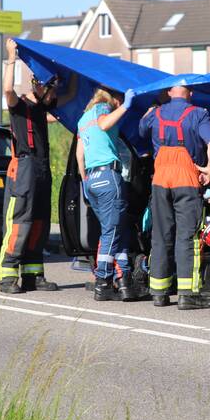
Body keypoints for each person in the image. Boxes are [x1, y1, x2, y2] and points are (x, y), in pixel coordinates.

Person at [0, 39, 74, 294]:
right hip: (24, 168)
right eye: (52, 90)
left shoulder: (41, 109)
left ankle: (33, 275)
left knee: (39, 222)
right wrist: (11, 58)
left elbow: (69, 97)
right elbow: (6, 89)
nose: (54, 96)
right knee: (21, 221)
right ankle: (8, 277)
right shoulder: (18, 104)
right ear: (39, 87)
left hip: (41, 168)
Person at [138, 85, 210, 309]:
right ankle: (187, 295)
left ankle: (159, 293)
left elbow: (141, 131)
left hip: (160, 179)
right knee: (187, 236)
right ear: (190, 94)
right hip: (187, 178)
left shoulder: (155, 113)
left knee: (161, 235)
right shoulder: (198, 113)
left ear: (169, 93)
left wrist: (149, 111)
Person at [77, 86, 139, 301]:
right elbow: (105, 124)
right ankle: (103, 282)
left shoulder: (83, 118)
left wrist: (84, 179)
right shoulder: (103, 108)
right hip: (108, 176)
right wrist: (127, 107)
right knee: (111, 232)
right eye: (119, 99)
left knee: (115, 230)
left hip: (92, 180)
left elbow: (79, 155)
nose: (121, 103)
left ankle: (125, 282)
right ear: (113, 97)